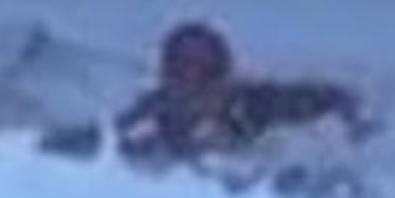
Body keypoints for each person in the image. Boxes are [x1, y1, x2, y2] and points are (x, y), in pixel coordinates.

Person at [113, 20, 380, 164]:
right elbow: (111, 137)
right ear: (166, 77)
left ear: (223, 80)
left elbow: (336, 96)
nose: (191, 97)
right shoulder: (155, 105)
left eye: (204, 84)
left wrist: (358, 124)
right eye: (180, 80)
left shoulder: (256, 101)